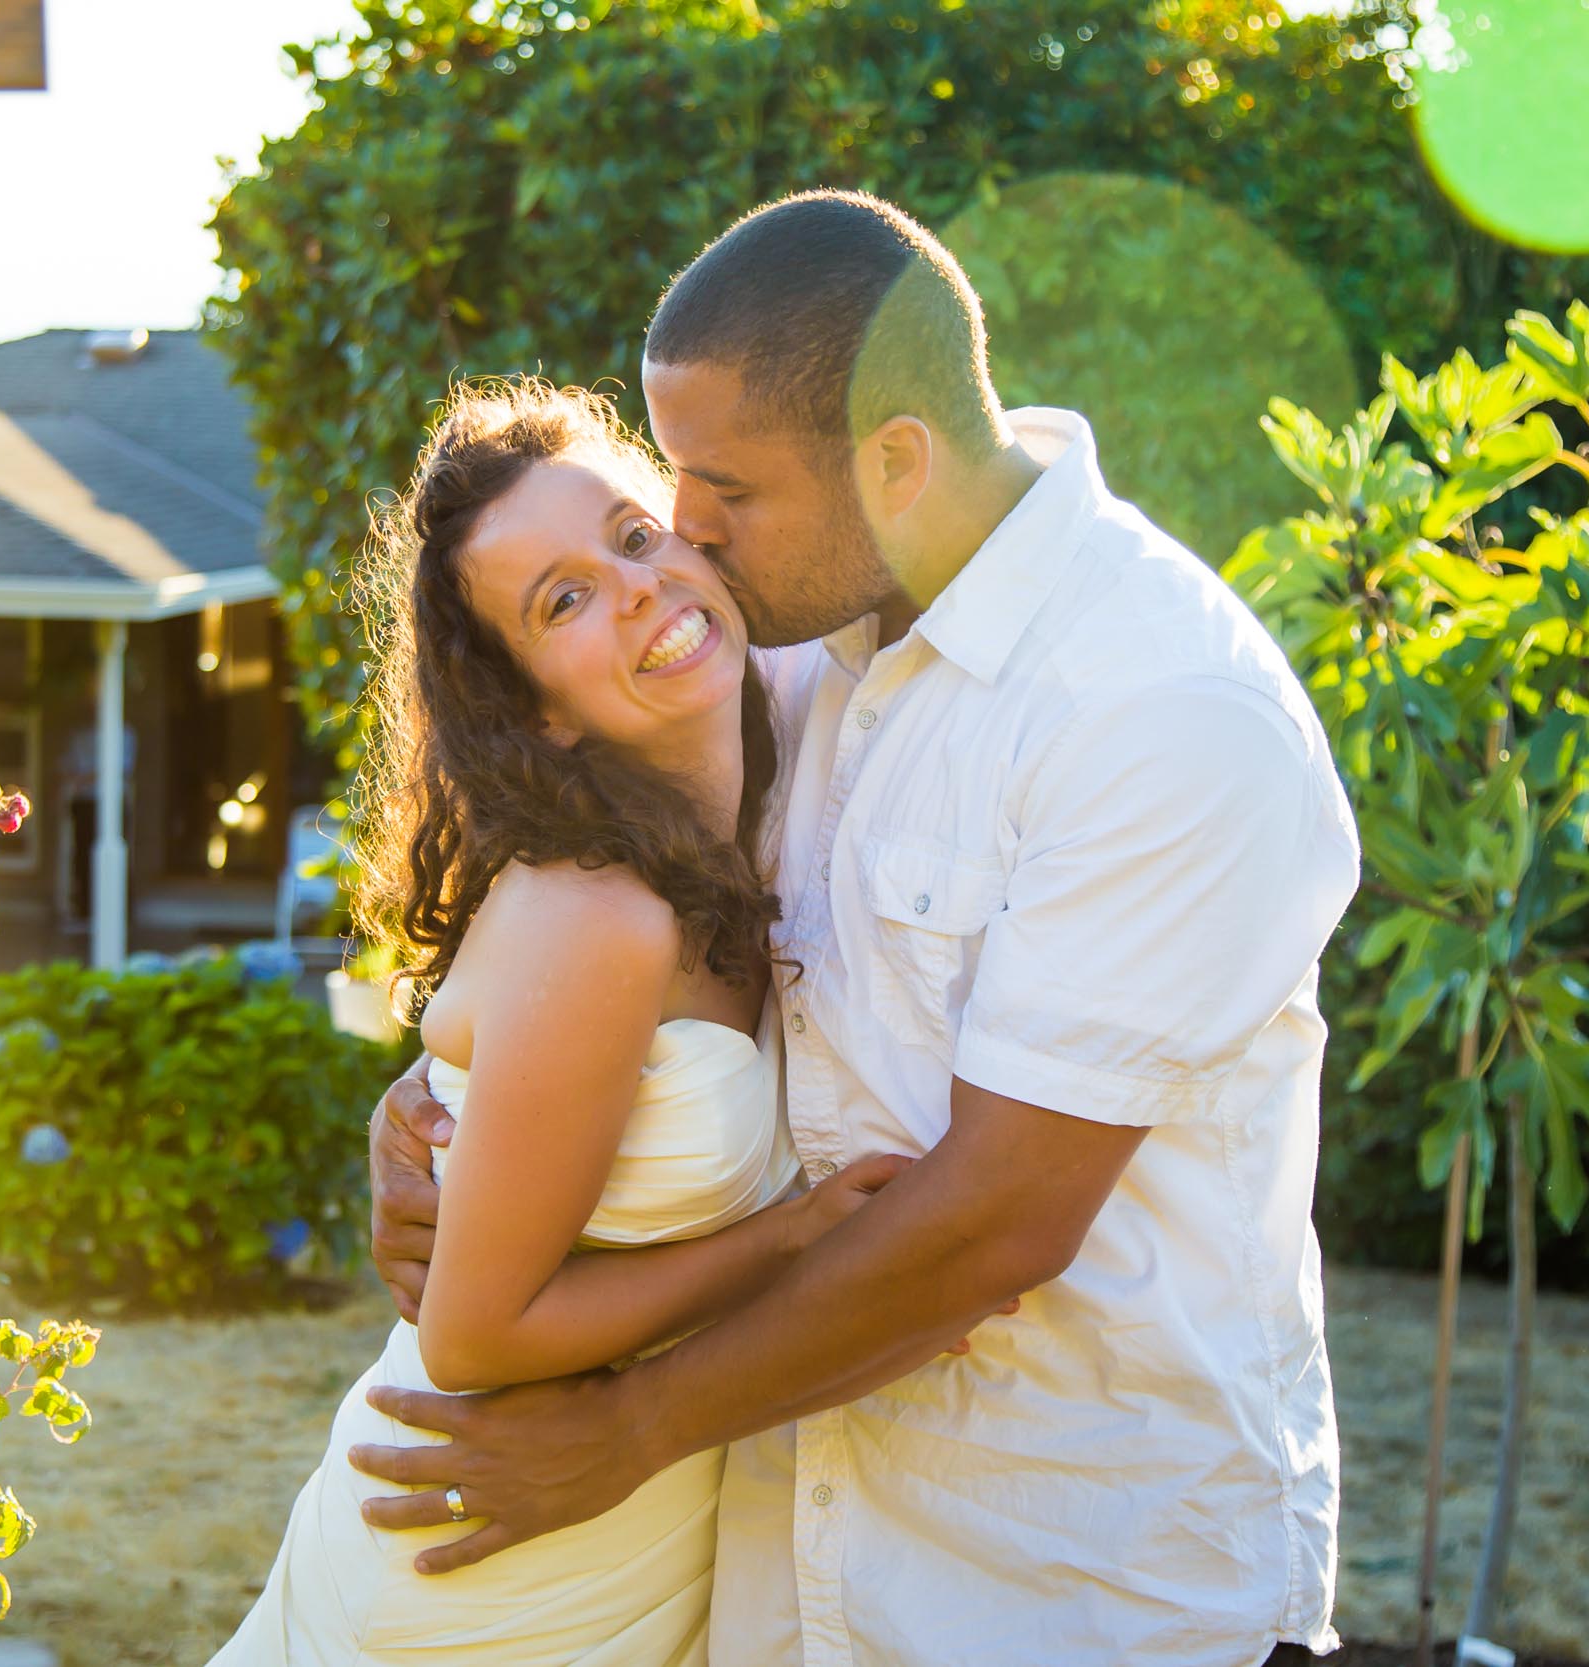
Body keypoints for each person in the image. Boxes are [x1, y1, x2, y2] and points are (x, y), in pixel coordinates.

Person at [355, 190, 1361, 1667]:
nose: (685, 531)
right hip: (792, 1566)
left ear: (896, 459)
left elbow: (995, 1222)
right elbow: (598, 914)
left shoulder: (1163, 711)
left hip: (1082, 1584)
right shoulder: (801, 655)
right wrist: (438, 1104)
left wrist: (629, 1424)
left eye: (721, 488)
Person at [207, 380, 936, 1665]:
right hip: (487, 1564)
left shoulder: (750, 821)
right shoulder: (597, 912)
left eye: (633, 536)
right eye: (563, 599)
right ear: (536, 705)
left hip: (642, 1542)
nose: (636, 586)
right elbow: (475, 1328)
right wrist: (790, 1240)